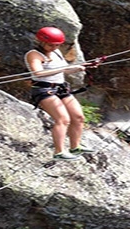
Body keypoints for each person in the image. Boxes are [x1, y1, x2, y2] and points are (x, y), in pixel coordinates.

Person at [25, 26, 95, 160]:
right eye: (51, 45)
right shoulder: (34, 54)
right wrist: (63, 69)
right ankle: (59, 152)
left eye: (57, 45)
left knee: (78, 117)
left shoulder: (56, 53)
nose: (54, 47)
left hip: (61, 88)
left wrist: (78, 68)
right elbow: (38, 73)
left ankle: (75, 147)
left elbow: (63, 70)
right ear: (41, 42)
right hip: (44, 89)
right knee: (63, 119)